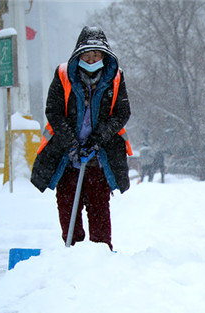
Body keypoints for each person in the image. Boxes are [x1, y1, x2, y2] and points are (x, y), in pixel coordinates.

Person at [31, 26, 131, 251]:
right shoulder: (63, 74)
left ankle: (101, 251)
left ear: (104, 56)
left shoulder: (115, 76)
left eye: (96, 54)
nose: (92, 58)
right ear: (79, 54)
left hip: (100, 155)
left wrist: (98, 138)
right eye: (87, 54)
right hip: (67, 156)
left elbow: (122, 113)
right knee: (67, 203)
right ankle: (72, 249)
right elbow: (53, 111)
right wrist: (72, 143)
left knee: (98, 205)